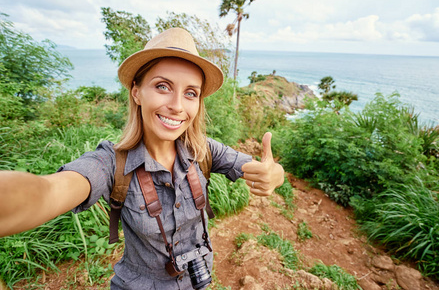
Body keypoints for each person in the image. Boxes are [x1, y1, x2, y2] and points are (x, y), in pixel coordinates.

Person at [0, 27, 285, 289]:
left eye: (190, 93)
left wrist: (274, 174)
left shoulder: (203, 150)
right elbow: (50, 191)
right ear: (137, 92)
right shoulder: (112, 163)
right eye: (162, 86)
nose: (176, 106)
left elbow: (258, 168)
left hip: (199, 280)